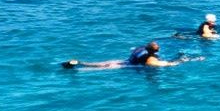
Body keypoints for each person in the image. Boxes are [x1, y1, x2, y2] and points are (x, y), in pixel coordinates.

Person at [61, 41, 201, 71]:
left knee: (95, 63)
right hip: (125, 66)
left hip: (121, 61)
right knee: (94, 70)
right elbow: (168, 64)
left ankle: (76, 62)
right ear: (153, 51)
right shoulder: (150, 59)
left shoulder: (140, 48)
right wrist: (185, 59)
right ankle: (77, 69)